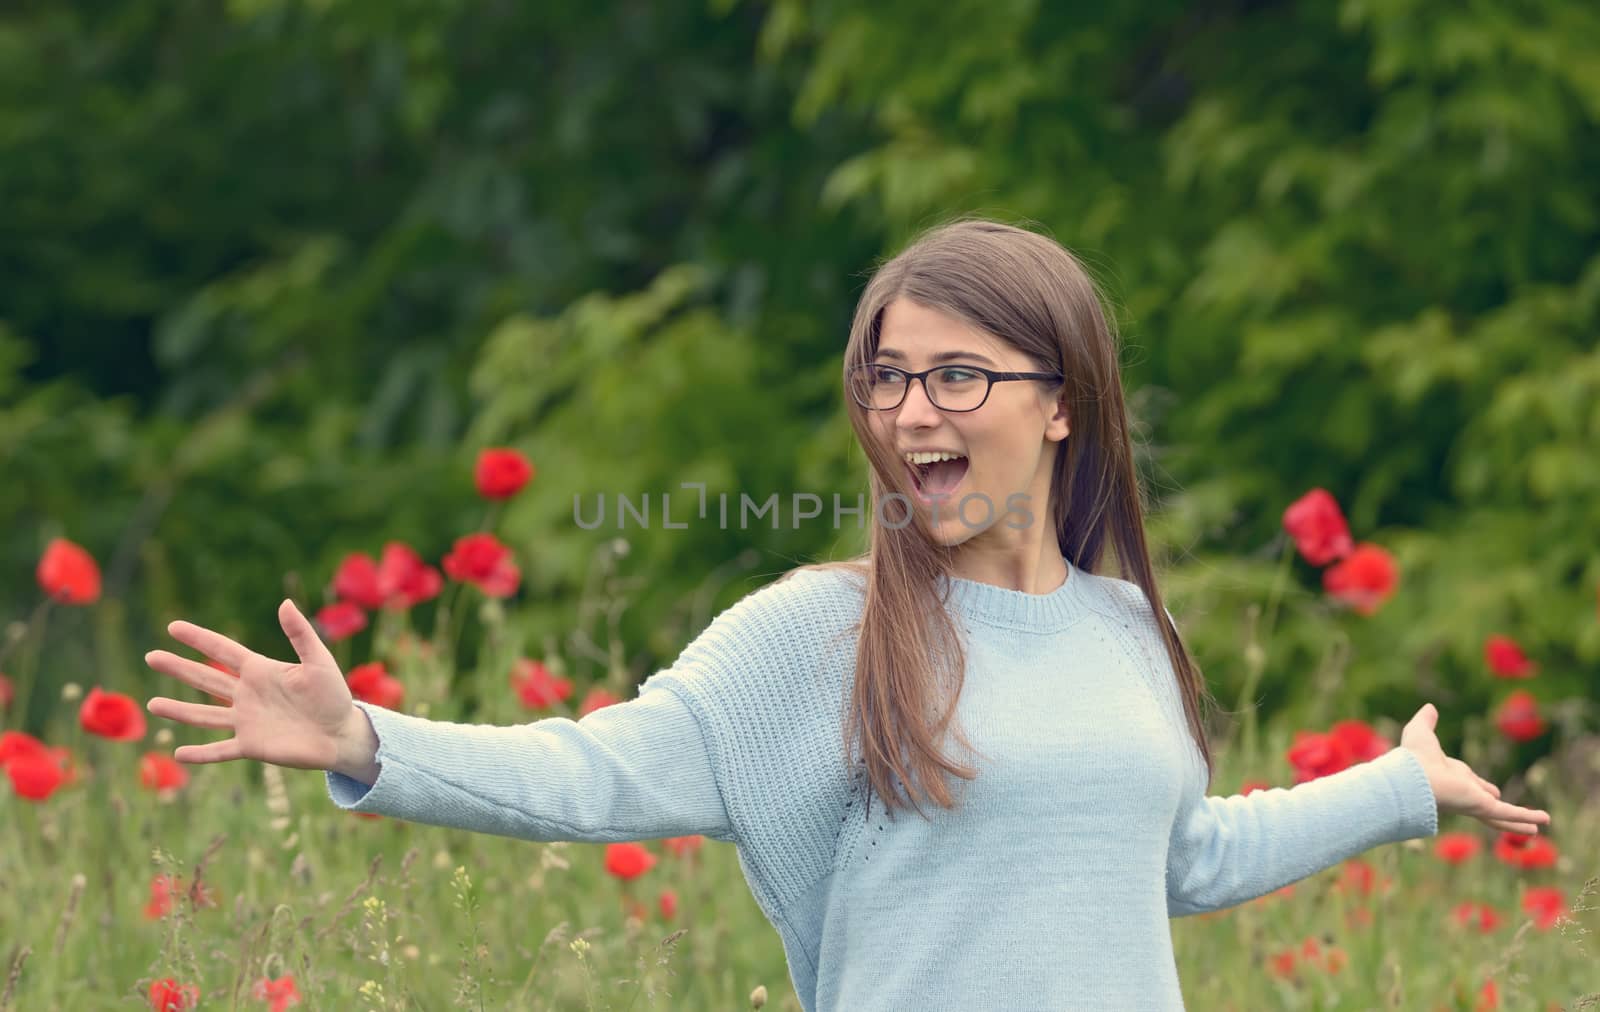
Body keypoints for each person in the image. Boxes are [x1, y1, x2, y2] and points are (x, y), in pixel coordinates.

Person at [145, 218, 1551, 1011]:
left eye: (958, 376)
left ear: (1061, 404)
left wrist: (1400, 787)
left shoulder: (1129, 629)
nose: (911, 410)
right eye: (887, 378)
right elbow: (594, 773)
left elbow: (1181, 858)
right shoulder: (816, 634)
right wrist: (364, 740)